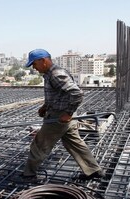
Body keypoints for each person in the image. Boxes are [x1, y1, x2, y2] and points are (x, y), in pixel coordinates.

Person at [22, 49, 104, 180]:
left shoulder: (56, 74)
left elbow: (77, 94)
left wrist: (68, 113)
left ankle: (28, 174)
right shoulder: (52, 73)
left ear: (43, 61)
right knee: (75, 143)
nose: (34, 68)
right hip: (62, 116)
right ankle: (93, 170)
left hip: (59, 118)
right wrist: (45, 107)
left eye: (34, 64)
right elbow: (59, 95)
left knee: (39, 144)